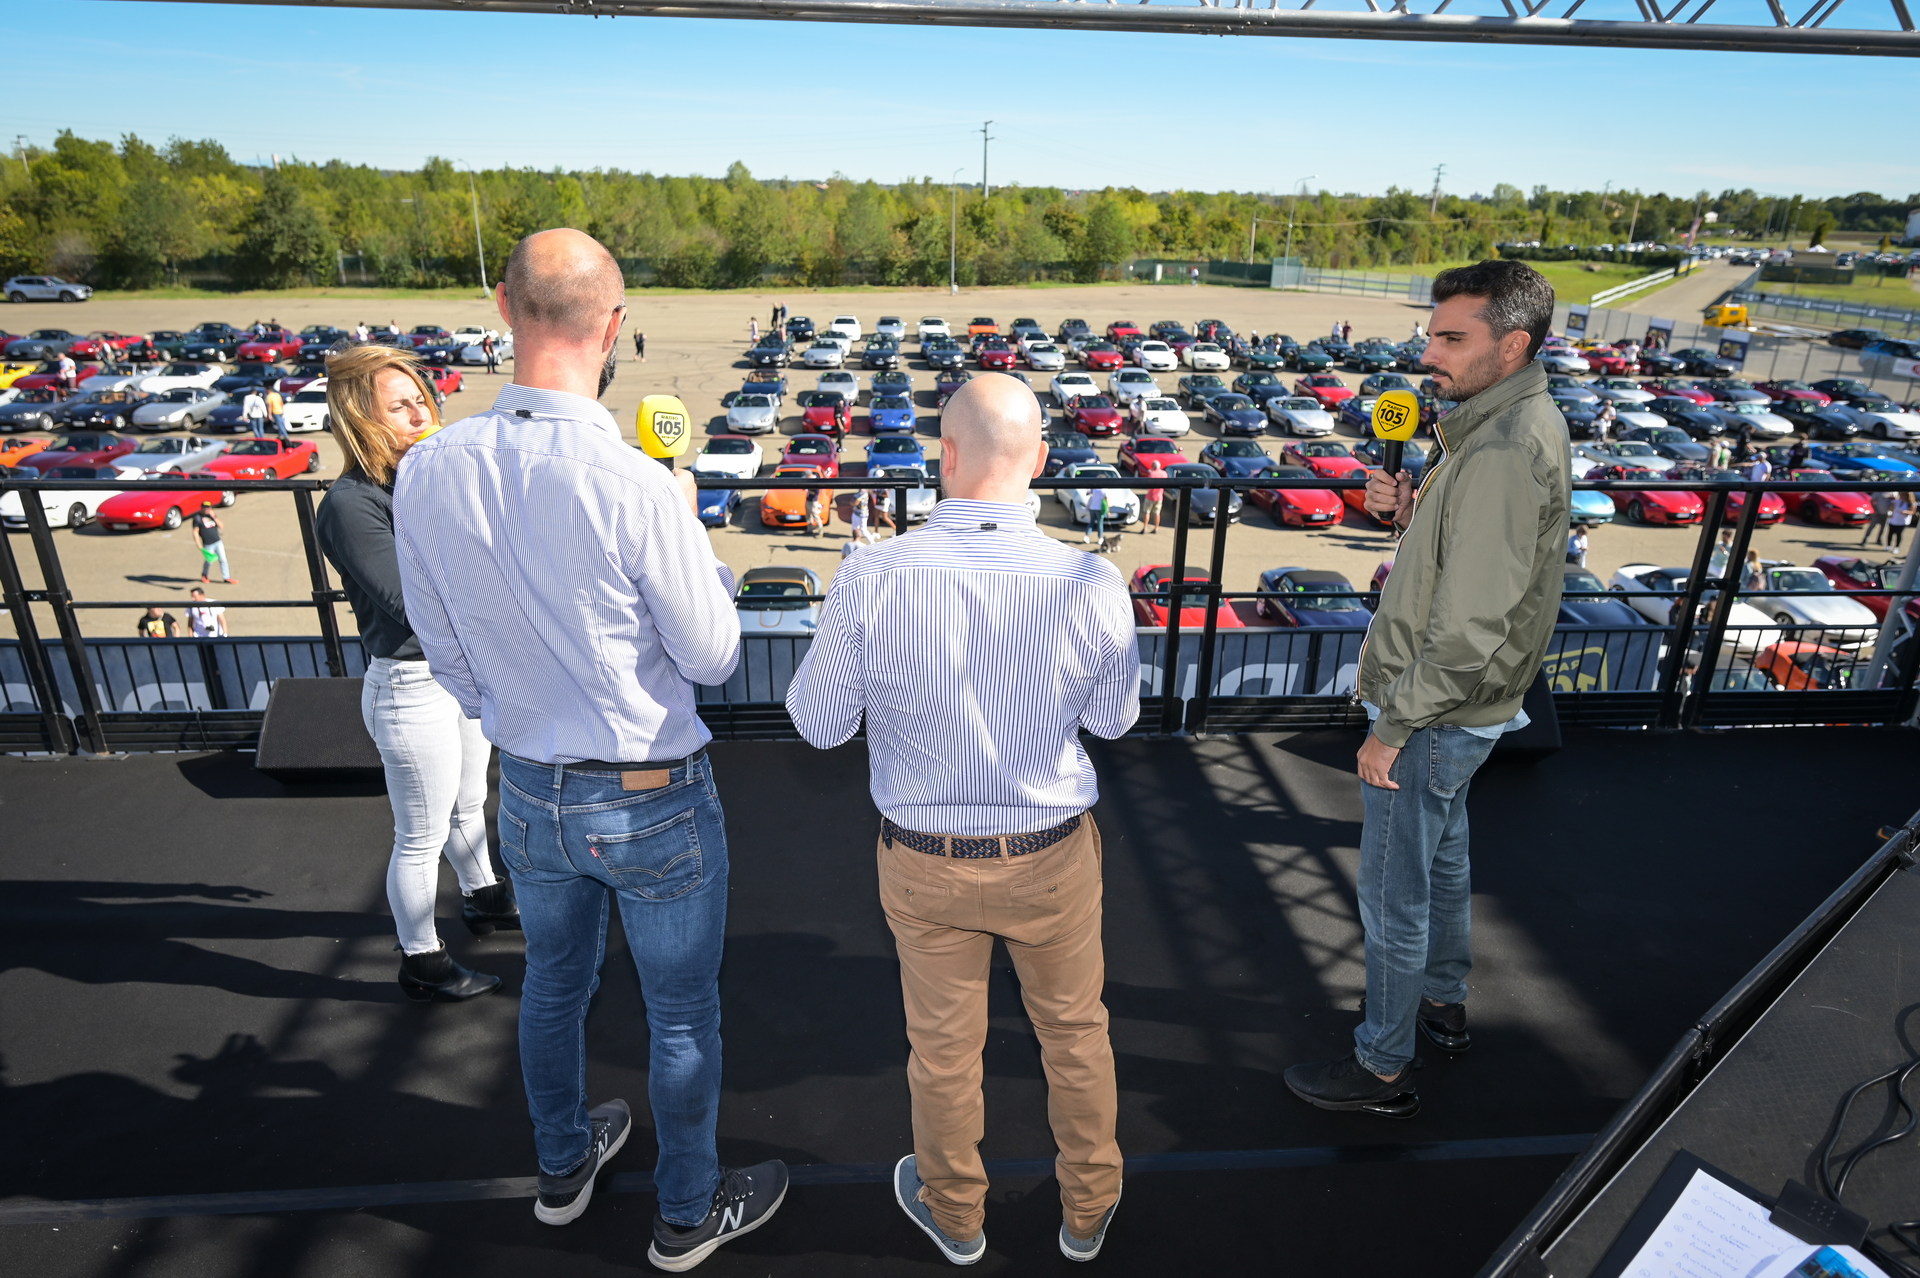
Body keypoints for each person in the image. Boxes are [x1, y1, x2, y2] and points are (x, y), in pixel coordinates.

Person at [392, 228, 786, 1265]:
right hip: (653, 796)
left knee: (553, 987)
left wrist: (511, 722)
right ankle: (686, 1215)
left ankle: (563, 1167)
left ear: (502, 309)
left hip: (527, 789)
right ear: (613, 329)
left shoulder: (428, 472)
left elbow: (443, 649)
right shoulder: (637, 485)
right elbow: (712, 653)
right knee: (681, 1018)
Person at [786, 374, 1140, 1267]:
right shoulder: (1089, 579)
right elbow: (1114, 720)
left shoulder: (872, 572)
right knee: (1076, 1033)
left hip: (925, 860)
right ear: (1043, 461)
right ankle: (1090, 1212)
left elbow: (817, 723)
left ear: (944, 456)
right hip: (1054, 854)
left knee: (943, 1054)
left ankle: (956, 1218)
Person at [1286, 260, 1569, 1117]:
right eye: (1430, 334)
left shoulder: (1504, 449)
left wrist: (1392, 727)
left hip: (1434, 713)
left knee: (1391, 895)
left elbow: (1469, 625)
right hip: (1463, 712)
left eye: (1452, 338)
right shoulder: (1494, 430)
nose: (1429, 353)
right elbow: (1473, 567)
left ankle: (1381, 1065)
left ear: (1511, 344)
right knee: (1445, 865)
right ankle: (1442, 1005)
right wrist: (1409, 511)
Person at [315, 343, 516, 1006]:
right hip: (410, 686)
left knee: (467, 803)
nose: (421, 414)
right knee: (421, 835)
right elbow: (413, 602)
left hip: (456, 674)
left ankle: (485, 898)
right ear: (361, 419)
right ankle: (421, 960)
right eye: (400, 406)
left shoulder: (423, 481)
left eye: (423, 401)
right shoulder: (350, 505)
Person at [191, 507, 235, 585]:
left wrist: (214, 516)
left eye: (209, 508)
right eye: (206, 508)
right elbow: (195, 532)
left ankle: (226, 577)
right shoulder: (197, 518)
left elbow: (221, 526)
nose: (208, 510)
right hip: (208, 544)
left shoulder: (211, 516)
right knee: (209, 561)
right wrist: (199, 545)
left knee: (223, 559)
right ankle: (204, 575)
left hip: (218, 542)